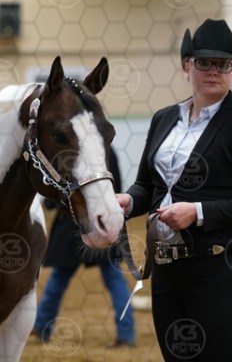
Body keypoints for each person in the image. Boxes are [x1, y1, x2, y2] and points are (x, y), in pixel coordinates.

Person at [116, 19, 232, 361]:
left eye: (224, 64)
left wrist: (198, 213)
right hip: (167, 271)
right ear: (186, 66)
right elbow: (148, 185)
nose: (214, 71)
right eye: (204, 62)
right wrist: (128, 201)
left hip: (222, 273)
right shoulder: (163, 119)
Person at [33, 147, 136, 348]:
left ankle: (42, 325)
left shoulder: (71, 150)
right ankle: (126, 333)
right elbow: (117, 188)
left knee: (58, 280)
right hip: (103, 223)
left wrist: (51, 202)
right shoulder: (107, 150)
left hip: (73, 227)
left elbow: (55, 196)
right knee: (113, 279)